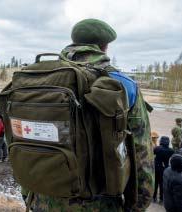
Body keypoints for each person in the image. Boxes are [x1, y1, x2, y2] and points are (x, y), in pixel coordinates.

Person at [25, 19, 154, 211]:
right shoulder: (123, 85)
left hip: (41, 199)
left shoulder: (41, 80)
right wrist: (137, 206)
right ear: (105, 47)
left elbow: (26, 140)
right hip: (100, 203)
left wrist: (29, 193)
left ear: (74, 42)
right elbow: (141, 154)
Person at [153, 136, 174, 203]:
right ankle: (161, 199)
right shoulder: (171, 150)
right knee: (162, 184)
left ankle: (154, 197)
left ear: (161, 141)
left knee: (155, 183)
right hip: (164, 168)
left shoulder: (157, 148)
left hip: (156, 167)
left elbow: (153, 153)